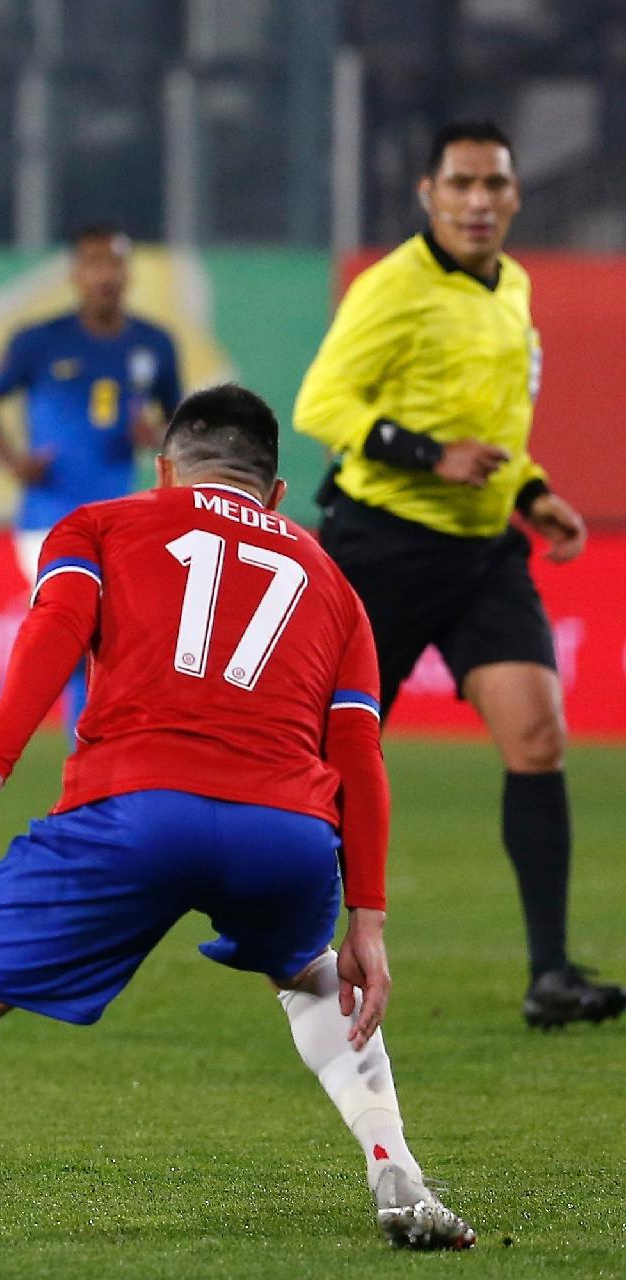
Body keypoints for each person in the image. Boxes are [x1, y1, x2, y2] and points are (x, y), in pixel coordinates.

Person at [0, 385, 475, 1258]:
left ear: (164, 468)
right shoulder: (333, 584)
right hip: (285, 833)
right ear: (276, 493)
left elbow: (57, 625)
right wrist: (369, 916)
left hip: (136, 808)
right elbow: (360, 754)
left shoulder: (103, 523)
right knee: (316, 976)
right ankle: (398, 1173)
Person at [294, 120, 621, 1030]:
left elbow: (498, 424)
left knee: (539, 736)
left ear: (516, 196)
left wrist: (533, 491)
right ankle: (293, 945)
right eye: (462, 184)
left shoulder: (512, 285)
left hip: (483, 554)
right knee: (336, 759)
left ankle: (550, 974)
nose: (479, 202)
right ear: (428, 194)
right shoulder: (391, 287)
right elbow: (322, 402)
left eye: (495, 186)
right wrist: (429, 454)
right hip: (383, 546)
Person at [0, 225, 182, 778]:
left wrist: (159, 437)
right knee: (82, 635)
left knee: (75, 648)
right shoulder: (40, 340)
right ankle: (83, 767)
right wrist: (11, 461)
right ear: (75, 273)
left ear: (128, 272)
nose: (105, 274)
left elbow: (181, 424)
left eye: (115, 263)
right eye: (93, 263)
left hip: (119, 521)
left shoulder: (153, 344)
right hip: (47, 520)